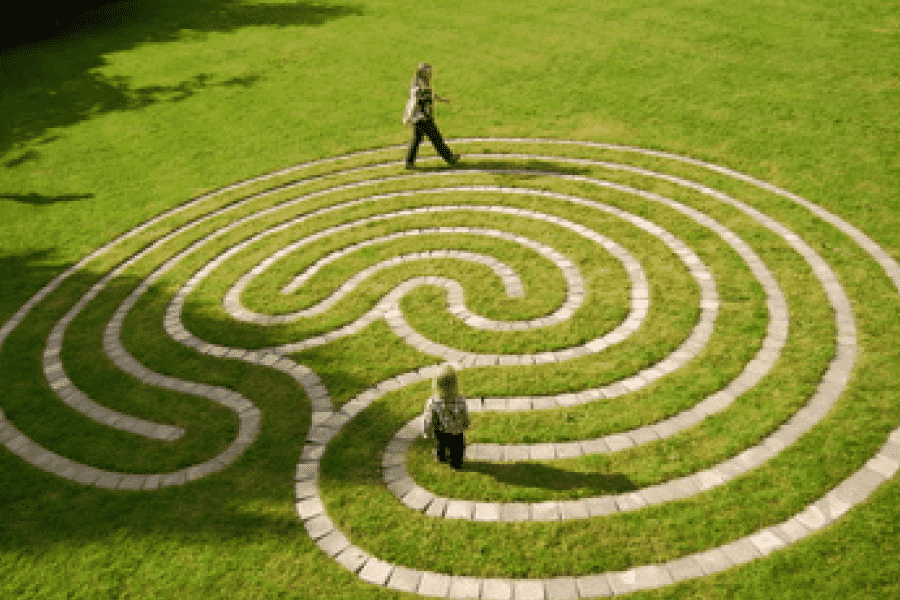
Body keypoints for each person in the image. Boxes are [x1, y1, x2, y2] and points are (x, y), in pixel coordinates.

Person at [402, 63, 460, 170]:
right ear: (423, 73)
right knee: (436, 139)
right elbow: (414, 101)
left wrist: (442, 99)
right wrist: (409, 116)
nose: (431, 74)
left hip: (424, 117)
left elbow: (431, 94)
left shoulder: (424, 83)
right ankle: (450, 158)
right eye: (428, 72)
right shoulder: (419, 86)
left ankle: (409, 162)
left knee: (418, 140)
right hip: (421, 118)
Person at [422, 364, 470, 469]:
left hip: (441, 431)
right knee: (457, 449)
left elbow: (429, 419)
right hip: (457, 433)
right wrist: (465, 424)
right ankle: (456, 462)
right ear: (455, 384)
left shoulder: (433, 402)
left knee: (441, 445)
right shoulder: (460, 400)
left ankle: (442, 457)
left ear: (436, 385)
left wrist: (427, 432)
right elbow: (464, 414)